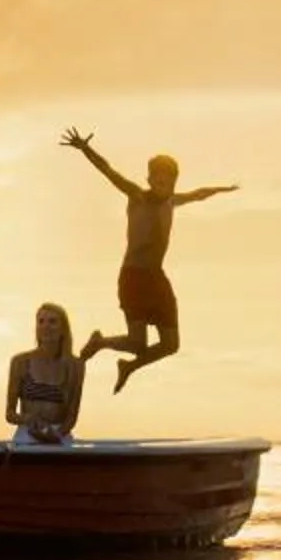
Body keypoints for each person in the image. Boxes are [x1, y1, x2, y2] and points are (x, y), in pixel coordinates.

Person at [59, 128, 237, 394]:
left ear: (174, 183)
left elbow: (200, 193)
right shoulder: (137, 196)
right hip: (134, 277)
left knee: (170, 345)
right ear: (150, 178)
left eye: (169, 181)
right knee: (137, 343)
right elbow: (109, 171)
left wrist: (224, 189)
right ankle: (100, 342)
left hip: (157, 278)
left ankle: (128, 367)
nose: (164, 185)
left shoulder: (172, 202)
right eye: (159, 179)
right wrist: (85, 149)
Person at [4, 302, 86, 445]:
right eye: (41, 322)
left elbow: (71, 417)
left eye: (52, 322)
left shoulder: (76, 366)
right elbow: (9, 414)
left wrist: (56, 435)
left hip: (59, 435)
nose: (46, 327)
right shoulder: (20, 362)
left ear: (63, 329)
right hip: (27, 435)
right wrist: (28, 419)